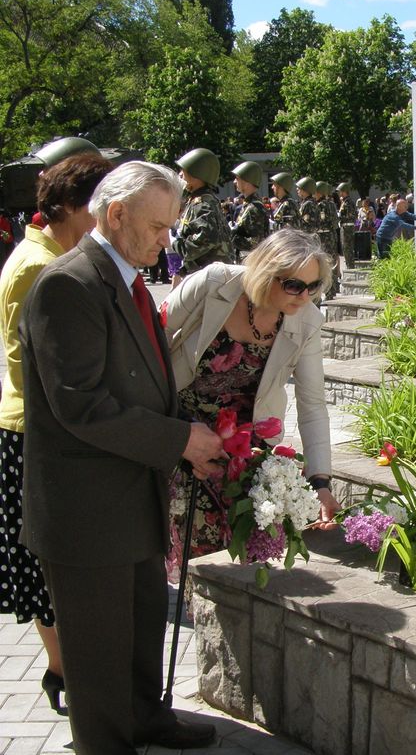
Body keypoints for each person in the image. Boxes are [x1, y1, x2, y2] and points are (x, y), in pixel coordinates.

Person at [18, 161, 226, 753]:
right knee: (97, 650)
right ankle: (108, 741)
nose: (169, 240)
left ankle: (145, 717)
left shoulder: (127, 281)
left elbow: (145, 383)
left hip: (131, 494)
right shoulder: (68, 285)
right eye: (160, 227)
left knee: (139, 628)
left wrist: (185, 432)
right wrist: (179, 440)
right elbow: (80, 405)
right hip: (87, 510)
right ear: (117, 216)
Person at [0, 153, 112, 716]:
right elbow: (35, 366)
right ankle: (62, 670)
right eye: (98, 207)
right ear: (71, 206)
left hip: (40, 430)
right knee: (46, 563)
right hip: (32, 434)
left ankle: (66, 670)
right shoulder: (38, 265)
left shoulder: (52, 254)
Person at [159, 229, 342, 571]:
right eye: (293, 285)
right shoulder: (213, 283)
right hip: (181, 432)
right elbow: (150, 342)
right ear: (264, 272)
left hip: (246, 454)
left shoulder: (308, 320)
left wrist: (320, 482)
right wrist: (178, 431)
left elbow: (313, 405)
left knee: (246, 558)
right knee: (198, 559)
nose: (304, 296)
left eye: (313, 286)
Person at [173, 148, 233, 284]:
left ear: (196, 175)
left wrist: (175, 243)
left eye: (184, 171)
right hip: (208, 276)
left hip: (208, 278)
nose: (180, 175)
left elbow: (206, 239)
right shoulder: (202, 200)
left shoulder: (202, 203)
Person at [230, 161, 269, 256]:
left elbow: (256, 243)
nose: (234, 181)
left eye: (237, 178)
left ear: (247, 183)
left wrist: (231, 236)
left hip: (251, 261)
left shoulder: (254, 208)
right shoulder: (249, 205)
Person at [315, 181, 341, 298]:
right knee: (332, 262)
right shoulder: (331, 204)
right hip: (331, 235)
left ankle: (330, 291)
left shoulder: (321, 206)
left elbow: (321, 220)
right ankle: (333, 289)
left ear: (319, 193)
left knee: (326, 263)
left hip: (324, 236)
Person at [336, 182, 356, 270]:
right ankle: (349, 266)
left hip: (347, 227)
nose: (339, 193)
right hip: (345, 226)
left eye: (340, 191)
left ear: (344, 191)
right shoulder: (345, 201)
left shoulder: (348, 202)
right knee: (345, 247)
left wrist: (339, 216)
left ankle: (350, 267)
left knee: (348, 248)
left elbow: (350, 215)